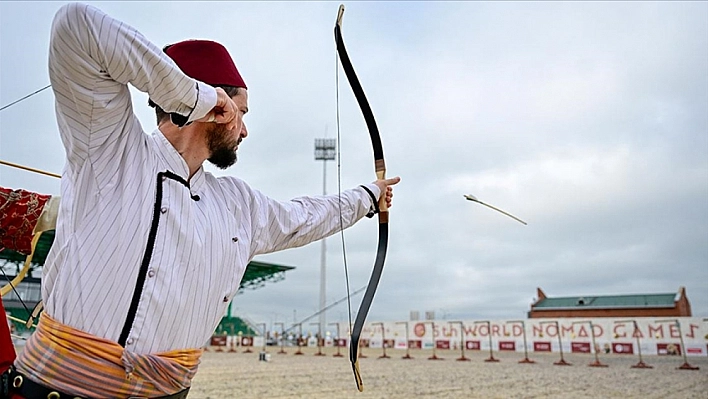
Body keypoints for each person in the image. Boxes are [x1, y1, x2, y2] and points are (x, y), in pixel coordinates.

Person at [4, 3, 400, 399]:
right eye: (240, 112)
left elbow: (304, 216)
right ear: (216, 105)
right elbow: (75, 27)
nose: (244, 130)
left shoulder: (236, 203)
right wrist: (194, 97)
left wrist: (368, 196)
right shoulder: (110, 150)